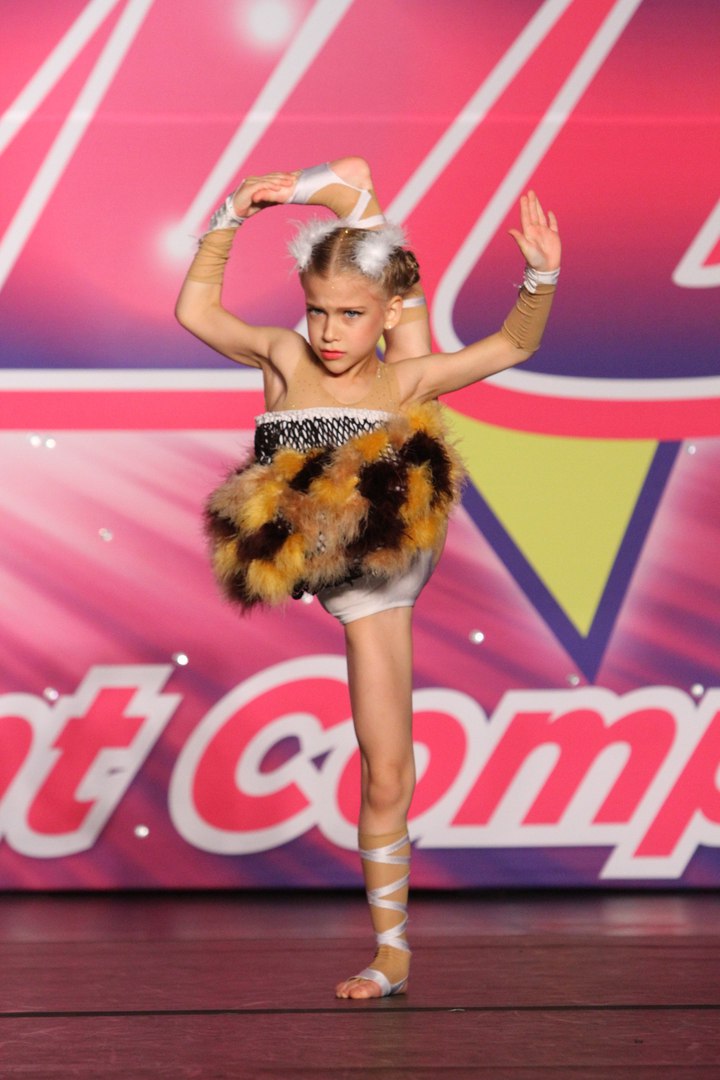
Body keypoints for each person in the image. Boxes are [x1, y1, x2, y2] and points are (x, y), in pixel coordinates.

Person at [176, 157, 561, 999]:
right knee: (386, 771)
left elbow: (514, 344)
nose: (328, 331)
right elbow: (195, 311)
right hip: (336, 544)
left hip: (384, 572)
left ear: (381, 314)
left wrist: (540, 275)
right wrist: (229, 217)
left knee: (387, 771)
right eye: (317, 309)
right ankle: (357, 196)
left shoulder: (399, 371)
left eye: (351, 315)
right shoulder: (284, 357)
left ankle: (393, 953)